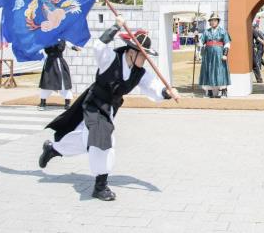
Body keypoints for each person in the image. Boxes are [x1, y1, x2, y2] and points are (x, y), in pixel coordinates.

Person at [38, 16, 179, 201]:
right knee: (103, 140)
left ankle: (54, 149)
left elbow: (153, 86)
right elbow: (98, 46)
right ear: (131, 52)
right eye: (143, 55)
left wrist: (167, 93)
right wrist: (115, 26)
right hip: (94, 104)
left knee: (86, 139)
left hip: (109, 109)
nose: (145, 59)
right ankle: (100, 186)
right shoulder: (111, 58)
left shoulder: (139, 72)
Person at [38, 40, 80, 110]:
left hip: (59, 62)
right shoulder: (46, 37)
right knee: (47, 82)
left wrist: (74, 47)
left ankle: (67, 103)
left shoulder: (62, 38)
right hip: (49, 63)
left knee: (63, 83)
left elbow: (68, 44)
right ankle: (42, 102)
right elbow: (39, 47)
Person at [199, 12, 231, 98]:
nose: (213, 22)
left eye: (215, 20)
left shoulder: (223, 31)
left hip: (219, 54)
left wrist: (225, 54)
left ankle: (223, 90)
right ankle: (209, 91)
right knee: (208, 70)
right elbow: (201, 42)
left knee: (220, 70)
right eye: (211, 21)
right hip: (208, 55)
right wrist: (197, 39)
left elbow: (227, 43)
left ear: (218, 21)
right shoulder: (206, 32)